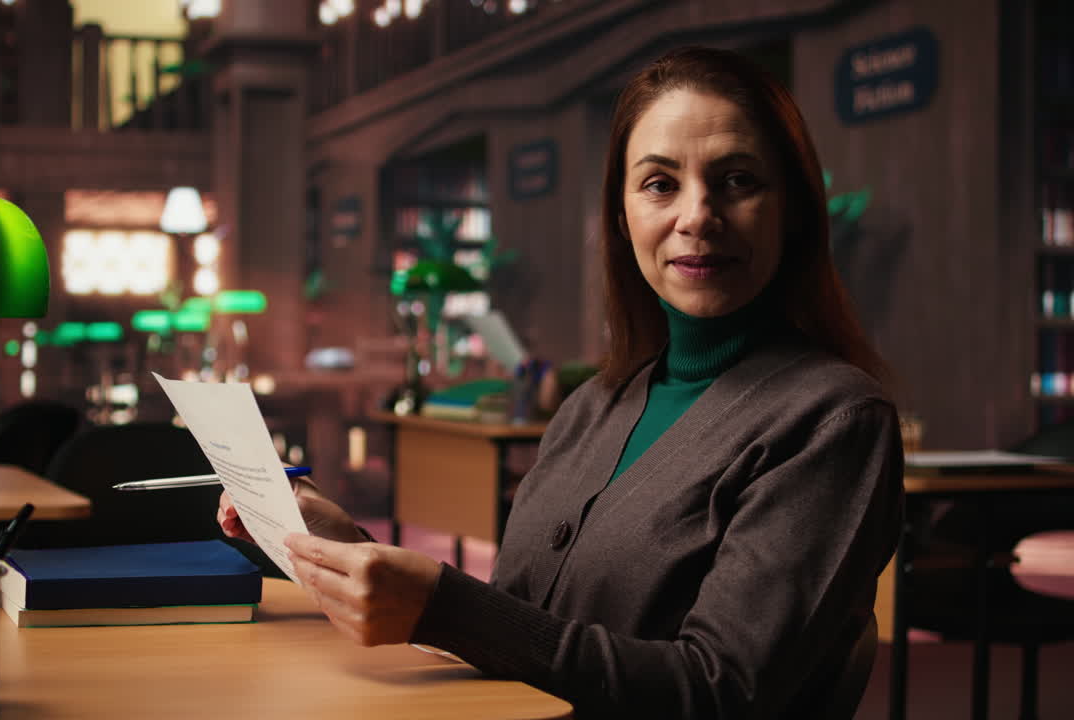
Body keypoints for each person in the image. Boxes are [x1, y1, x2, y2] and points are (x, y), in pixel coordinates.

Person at [218, 45, 903, 718]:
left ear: (793, 211)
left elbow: (719, 692)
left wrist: (445, 606)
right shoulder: (593, 406)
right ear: (621, 215)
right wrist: (349, 549)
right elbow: (520, 632)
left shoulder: (833, 420)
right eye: (661, 183)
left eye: (737, 181)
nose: (697, 215)